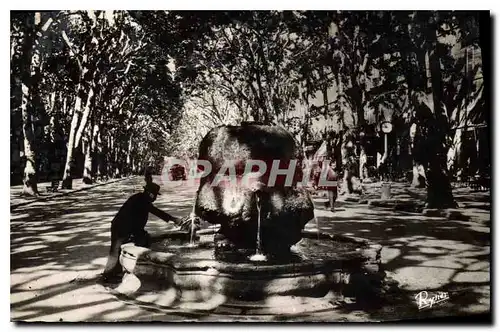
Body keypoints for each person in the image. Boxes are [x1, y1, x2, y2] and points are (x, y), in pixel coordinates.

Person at [101, 181, 192, 282]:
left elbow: (138, 218)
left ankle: (115, 273)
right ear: (151, 194)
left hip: (124, 227)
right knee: (115, 250)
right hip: (121, 228)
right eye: (155, 195)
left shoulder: (141, 198)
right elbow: (156, 212)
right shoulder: (142, 200)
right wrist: (173, 219)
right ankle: (107, 276)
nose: (155, 198)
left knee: (119, 249)